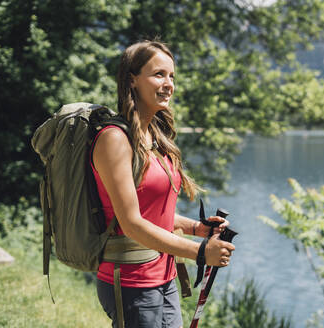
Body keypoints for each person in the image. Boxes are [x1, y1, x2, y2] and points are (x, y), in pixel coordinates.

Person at [91, 39, 235, 328]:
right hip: (131, 280)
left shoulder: (155, 138)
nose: (169, 83)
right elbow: (131, 223)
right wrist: (199, 252)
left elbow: (153, 213)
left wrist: (196, 229)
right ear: (132, 79)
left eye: (172, 76)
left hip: (165, 275)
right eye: (159, 74)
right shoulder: (114, 139)